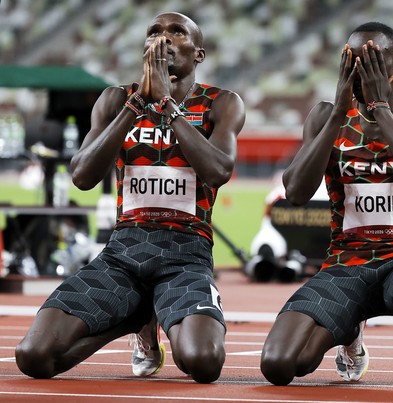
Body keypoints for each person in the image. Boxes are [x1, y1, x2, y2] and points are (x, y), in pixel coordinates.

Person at [15, 12, 245, 384]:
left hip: (186, 254)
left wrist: (169, 108)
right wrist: (137, 105)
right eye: (154, 32)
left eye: (177, 32)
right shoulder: (116, 100)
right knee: (33, 357)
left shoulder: (221, 103)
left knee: (203, 362)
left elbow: (218, 171)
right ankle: (136, 317)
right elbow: (82, 177)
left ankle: (146, 311)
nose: (163, 39)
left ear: (198, 54)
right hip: (124, 251)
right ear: (144, 49)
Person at [260, 22, 393, 386]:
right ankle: (350, 331)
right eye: (353, 62)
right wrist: (336, 115)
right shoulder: (325, 115)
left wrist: (380, 107)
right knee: (281, 365)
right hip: (347, 262)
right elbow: (295, 192)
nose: (362, 71)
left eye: (374, 61)